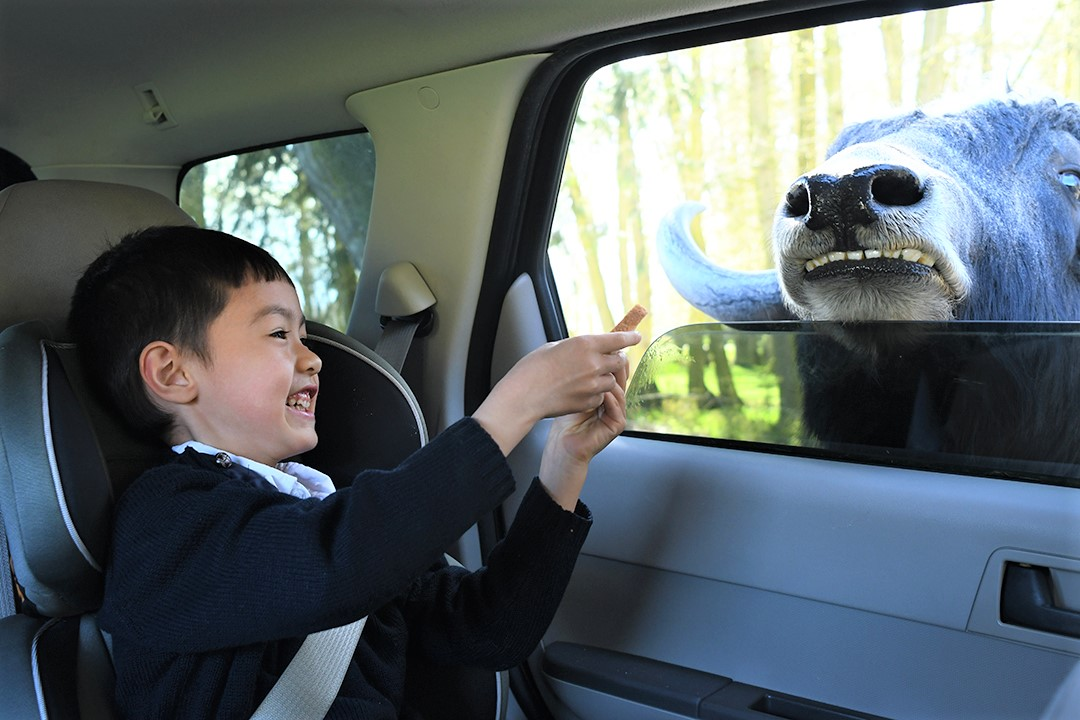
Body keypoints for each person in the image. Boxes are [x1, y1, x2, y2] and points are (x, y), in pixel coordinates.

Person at [67, 225, 640, 719]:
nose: (312, 356)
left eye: (304, 336)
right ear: (171, 373)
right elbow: (333, 564)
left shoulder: (316, 513)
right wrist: (514, 404)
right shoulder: (166, 522)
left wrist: (564, 463)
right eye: (277, 334)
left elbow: (489, 630)